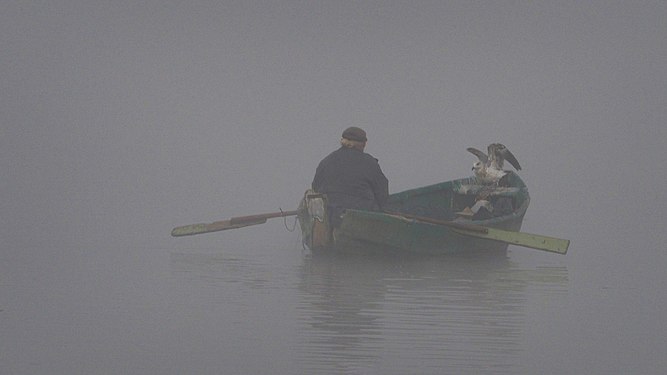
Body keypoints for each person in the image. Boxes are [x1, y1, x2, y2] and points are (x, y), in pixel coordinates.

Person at [312, 127, 389, 227]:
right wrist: (384, 210)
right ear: (363, 144)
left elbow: (315, 188)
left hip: (332, 216)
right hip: (362, 218)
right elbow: (382, 191)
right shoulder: (369, 163)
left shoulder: (326, 161)